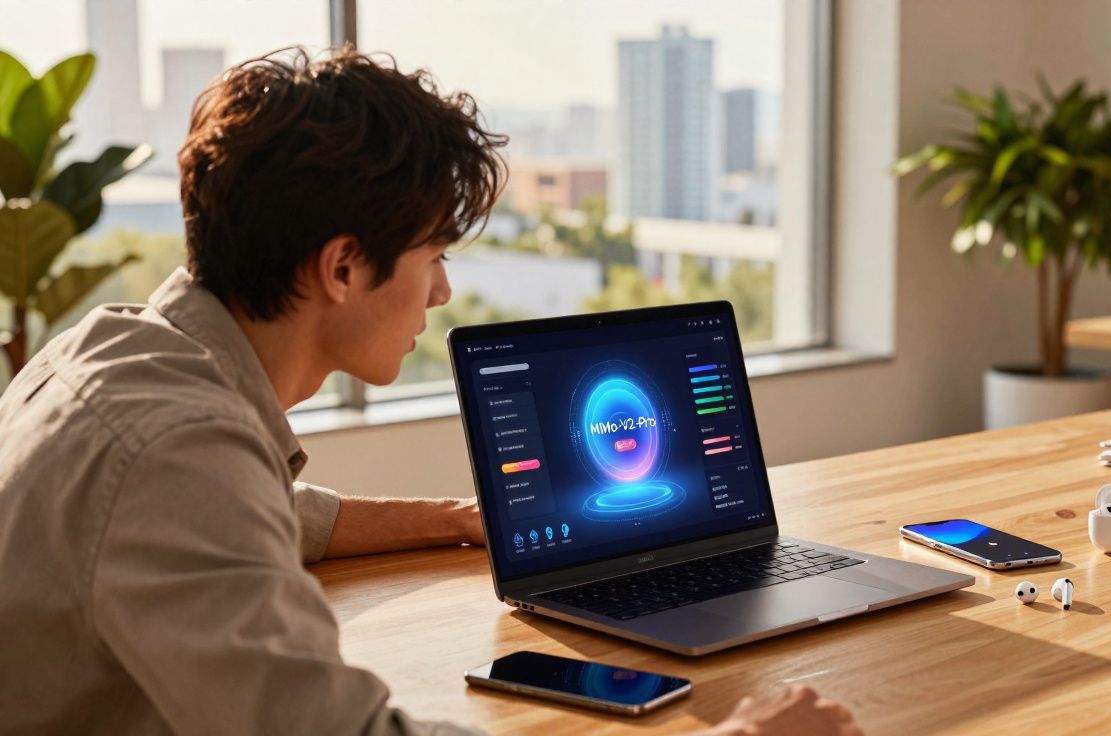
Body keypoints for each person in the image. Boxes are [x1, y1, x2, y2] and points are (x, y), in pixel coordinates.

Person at [0, 46, 859, 736]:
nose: (443, 291)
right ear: (343, 267)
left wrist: (452, 518)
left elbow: (261, 514)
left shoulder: (122, 353)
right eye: (434, 256)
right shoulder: (174, 453)